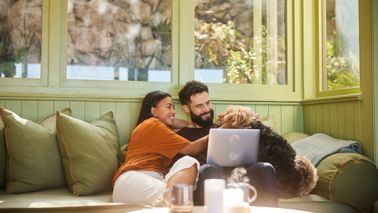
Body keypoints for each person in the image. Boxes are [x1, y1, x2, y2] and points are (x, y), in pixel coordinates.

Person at [176, 80, 278, 207]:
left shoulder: (228, 127)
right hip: (209, 178)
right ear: (186, 108)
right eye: (199, 106)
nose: (207, 109)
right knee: (211, 169)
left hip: (238, 176)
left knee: (265, 168)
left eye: (208, 103)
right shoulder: (182, 136)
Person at [112, 90, 208, 206]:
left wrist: (169, 119)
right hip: (132, 180)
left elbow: (185, 124)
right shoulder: (152, 124)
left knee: (189, 162)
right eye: (168, 107)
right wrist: (221, 130)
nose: (173, 111)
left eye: (173, 108)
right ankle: (172, 203)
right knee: (177, 197)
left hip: (156, 182)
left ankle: (170, 203)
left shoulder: (159, 127)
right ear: (153, 110)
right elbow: (192, 148)